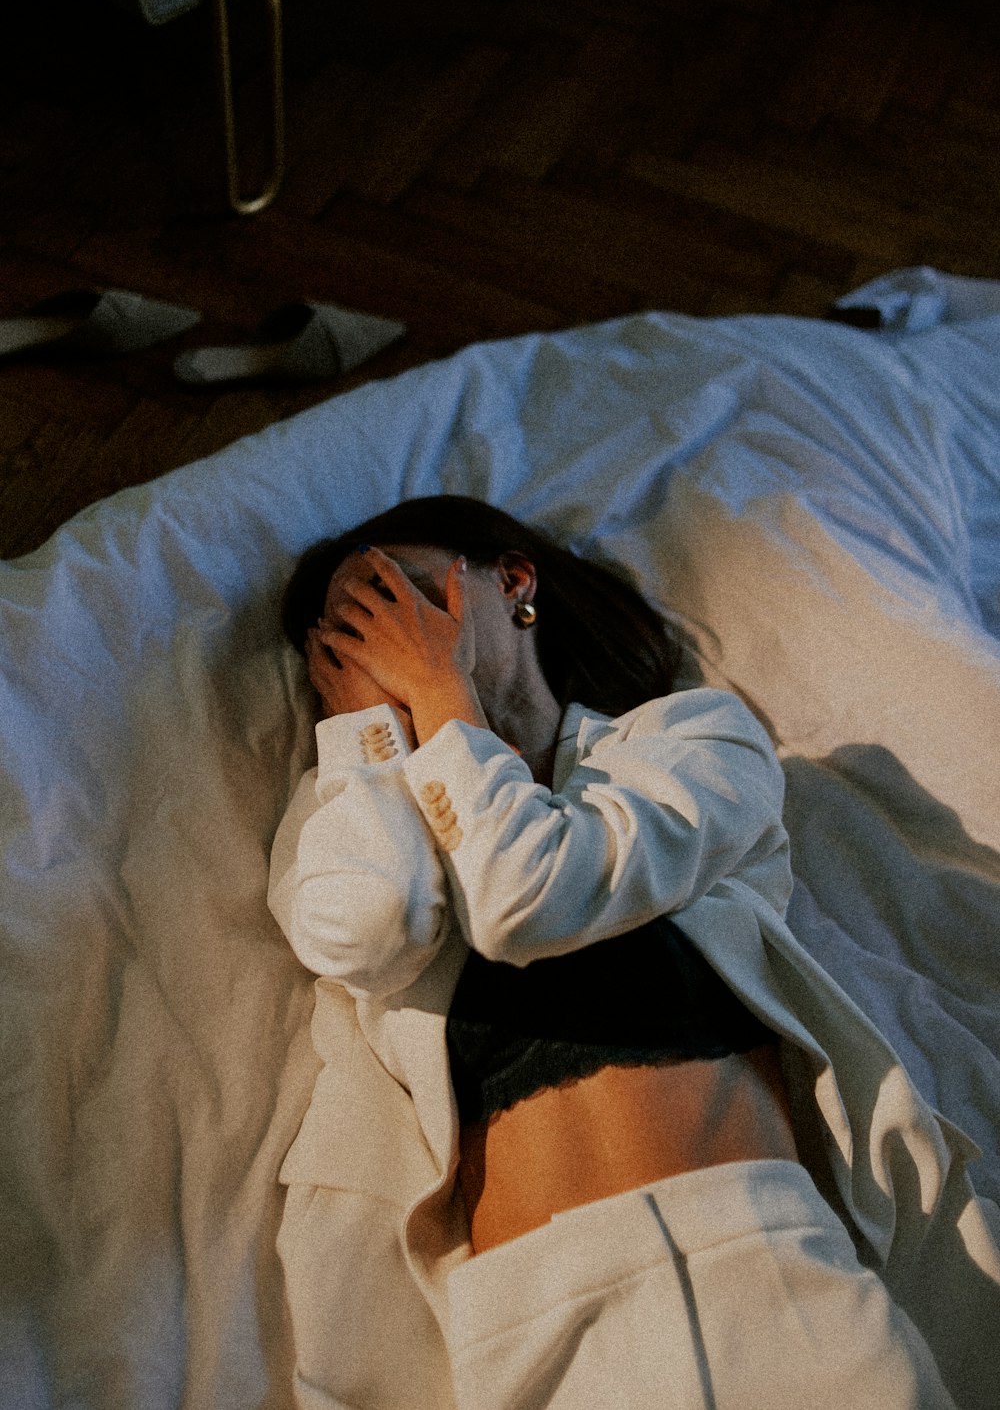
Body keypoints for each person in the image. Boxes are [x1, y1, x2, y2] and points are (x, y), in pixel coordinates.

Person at [268, 495, 999, 1410]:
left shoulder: (687, 740)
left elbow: (528, 899)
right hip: (537, 1325)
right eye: (351, 638)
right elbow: (366, 932)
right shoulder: (351, 810)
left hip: (781, 1274)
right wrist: (369, 741)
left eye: (408, 597)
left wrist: (445, 699)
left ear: (512, 580)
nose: (394, 643)